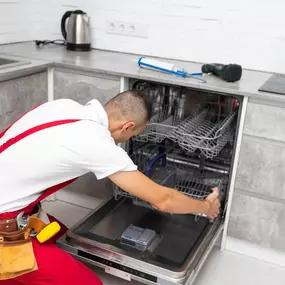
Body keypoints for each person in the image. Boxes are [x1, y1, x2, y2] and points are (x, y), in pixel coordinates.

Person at [0, 90, 220, 285]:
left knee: (63, 239)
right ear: (127, 126)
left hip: (16, 208)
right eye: (132, 136)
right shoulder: (95, 142)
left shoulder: (62, 105)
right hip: (4, 227)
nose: (126, 140)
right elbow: (164, 200)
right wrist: (205, 206)